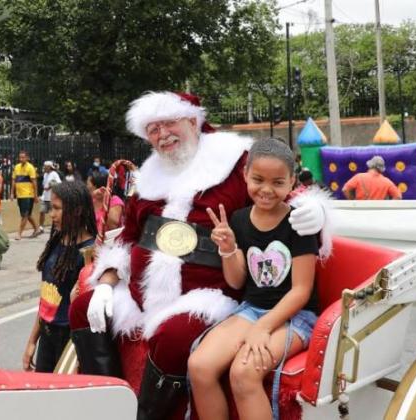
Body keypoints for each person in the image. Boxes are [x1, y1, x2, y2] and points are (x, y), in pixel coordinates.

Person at [67, 91, 329, 420]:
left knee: (175, 337)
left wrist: (315, 210)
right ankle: (107, 407)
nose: (162, 135)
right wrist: (106, 282)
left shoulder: (235, 159)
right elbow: (128, 237)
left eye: (169, 123)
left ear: (193, 120)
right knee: (82, 307)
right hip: (143, 292)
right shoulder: (148, 175)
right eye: (153, 129)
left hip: (211, 293)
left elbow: (283, 193)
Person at [187, 138, 319, 420]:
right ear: (245, 175)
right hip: (251, 309)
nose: (267, 190)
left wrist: (263, 327)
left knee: (244, 373)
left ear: (292, 181)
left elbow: (301, 290)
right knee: (200, 365)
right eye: (258, 179)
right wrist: (228, 250)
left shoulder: (300, 224)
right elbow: (237, 282)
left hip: (294, 316)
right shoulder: (238, 219)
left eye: (278, 182)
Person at [23, 181, 96, 372]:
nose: (51, 214)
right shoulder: (56, 240)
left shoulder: (90, 252)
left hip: (71, 341)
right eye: (51, 208)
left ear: (78, 210)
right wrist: (32, 341)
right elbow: (47, 299)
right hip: (47, 335)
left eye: (57, 208)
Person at [11, 150, 41, 240]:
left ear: (27, 158)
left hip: (28, 195)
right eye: (20, 157)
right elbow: (13, 180)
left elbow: (34, 182)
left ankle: (19, 233)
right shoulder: (16, 167)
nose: (21, 159)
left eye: (23, 157)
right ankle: (37, 229)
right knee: (27, 214)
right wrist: (12, 193)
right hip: (19, 195)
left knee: (25, 215)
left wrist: (35, 195)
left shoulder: (30, 168)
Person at [39, 161, 61, 234]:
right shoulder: (45, 174)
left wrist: (50, 186)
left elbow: (59, 183)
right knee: (42, 211)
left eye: (46, 166)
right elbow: (44, 184)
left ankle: (54, 227)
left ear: (49, 167)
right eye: (44, 166)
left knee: (53, 213)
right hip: (44, 196)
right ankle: (41, 227)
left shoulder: (54, 174)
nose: (44, 167)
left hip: (51, 197)